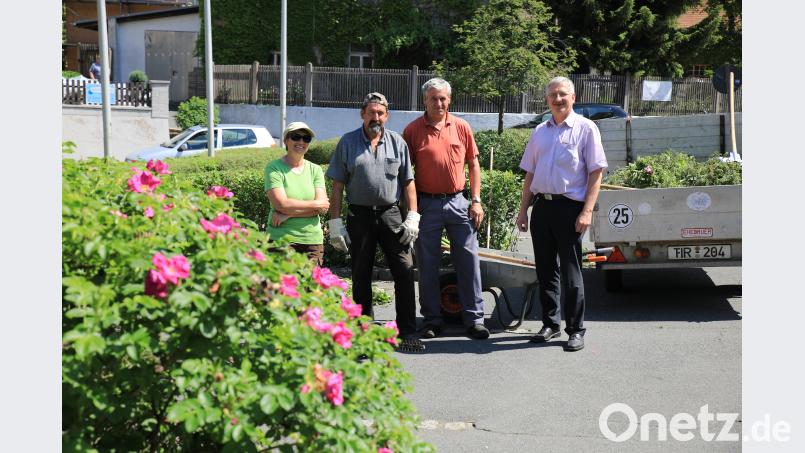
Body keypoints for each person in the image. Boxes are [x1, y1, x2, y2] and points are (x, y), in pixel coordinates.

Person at [326, 92, 425, 352]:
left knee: (404, 270)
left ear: (386, 116)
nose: (376, 118)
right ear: (362, 114)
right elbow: (337, 185)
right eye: (371, 113)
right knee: (361, 273)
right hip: (359, 215)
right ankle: (363, 333)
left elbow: (408, 182)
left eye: (380, 113)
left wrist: (413, 214)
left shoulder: (397, 143)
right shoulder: (347, 143)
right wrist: (334, 221)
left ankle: (407, 331)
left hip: (391, 214)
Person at [515, 76, 608, 352]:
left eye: (563, 94)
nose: (558, 99)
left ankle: (575, 329)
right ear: (547, 100)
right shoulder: (540, 132)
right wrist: (523, 211)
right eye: (553, 95)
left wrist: (586, 211)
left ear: (573, 97)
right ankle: (550, 323)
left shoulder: (586, 129)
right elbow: (530, 173)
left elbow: (596, 172)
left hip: (570, 208)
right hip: (542, 207)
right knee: (545, 269)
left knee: (571, 272)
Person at [402, 78, 489, 340]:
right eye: (433, 98)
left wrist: (476, 200)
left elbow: (473, 165)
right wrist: (412, 211)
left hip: (459, 202)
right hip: (427, 204)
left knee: (468, 260)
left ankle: (474, 319)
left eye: (443, 98)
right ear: (424, 101)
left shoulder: (461, 127)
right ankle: (431, 320)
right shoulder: (413, 130)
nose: (438, 103)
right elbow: (406, 175)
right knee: (427, 263)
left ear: (449, 100)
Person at [264, 122, 329, 264]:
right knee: (282, 286)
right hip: (281, 240)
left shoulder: (315, 170)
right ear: (286, 140)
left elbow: (323, 207)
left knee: (309, 286)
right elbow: (281, 204)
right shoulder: (274, 168)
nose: (301, 141)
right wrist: (313, 205)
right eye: (296, 137)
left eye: (306, 138)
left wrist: (288, 214)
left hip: (312, 242)